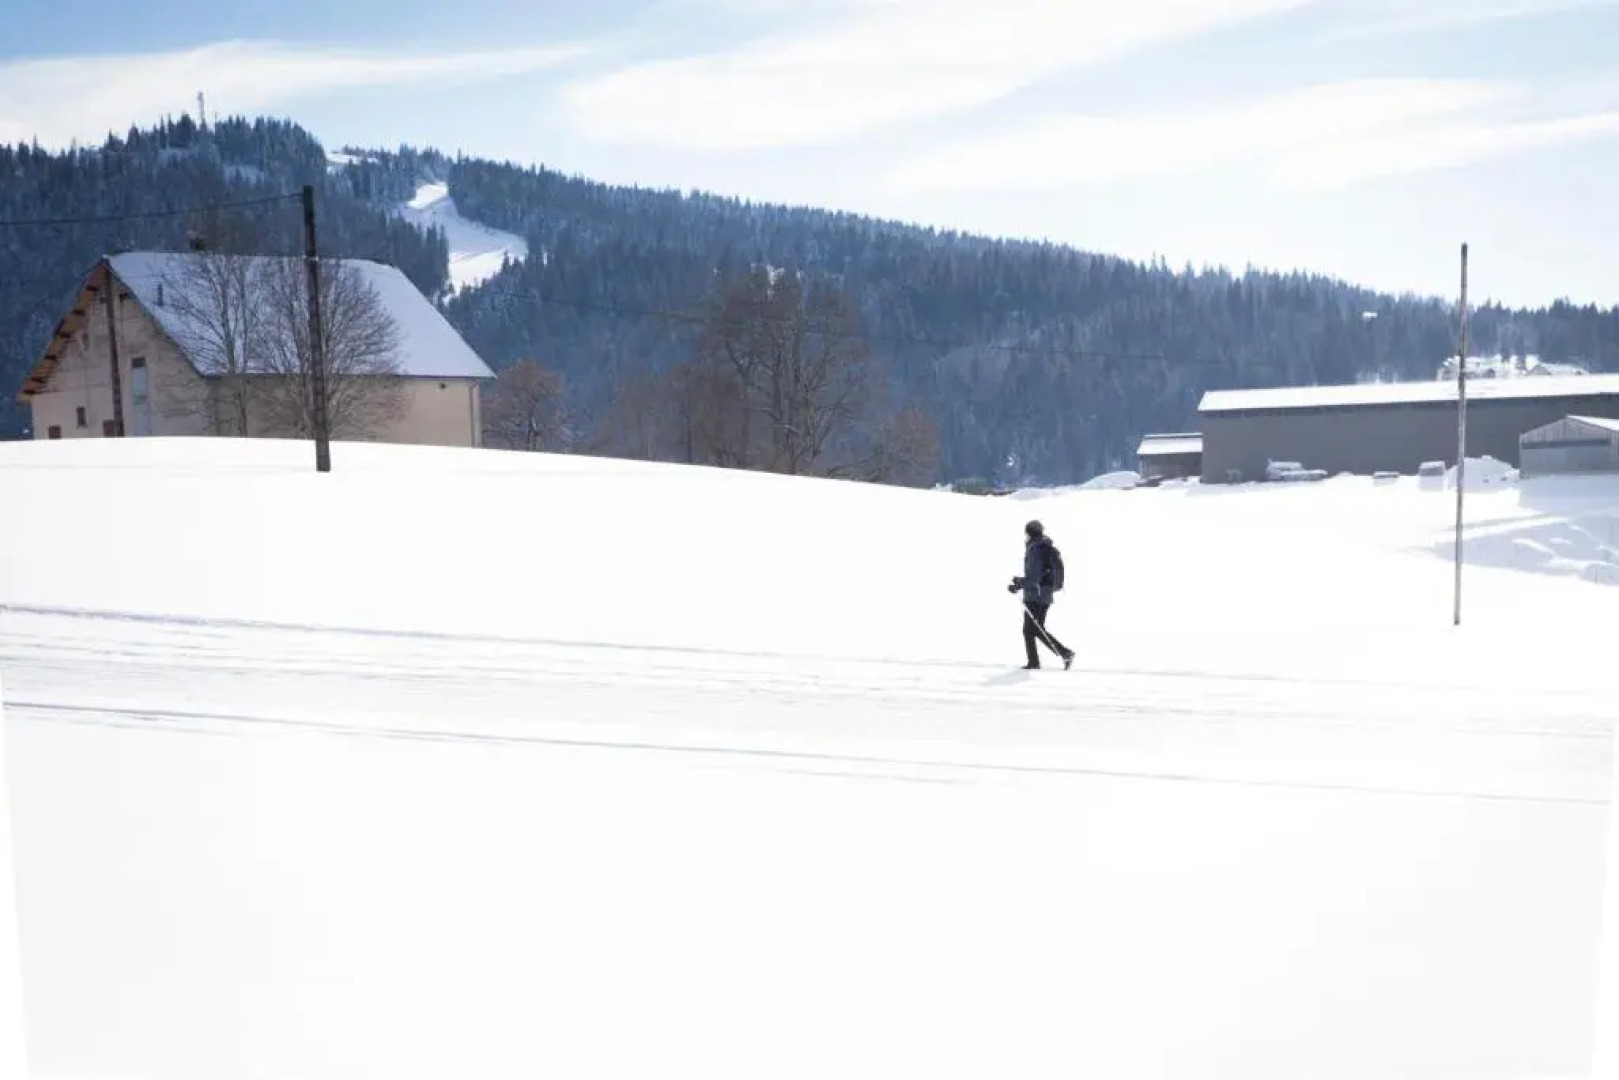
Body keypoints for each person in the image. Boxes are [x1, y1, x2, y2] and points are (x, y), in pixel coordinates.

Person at [1009, 519, 1073, 670]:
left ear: (1029, 533)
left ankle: (1062, 654)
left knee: (1031, 629)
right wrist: (1021, 581)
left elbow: (1035, 577)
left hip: (1035, 596)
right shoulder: (1044, 546)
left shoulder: (1035, 549)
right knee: (1034, 629)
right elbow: (1038, 575)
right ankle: (1040, 660)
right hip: (1044, 594)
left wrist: (1019, 585)